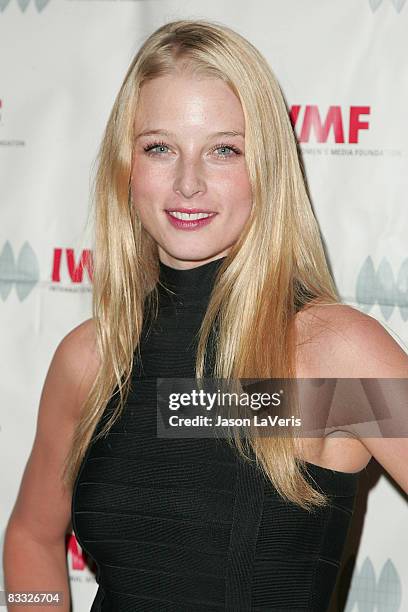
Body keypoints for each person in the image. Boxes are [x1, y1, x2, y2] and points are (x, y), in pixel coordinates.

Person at [3, 18, 408, 612]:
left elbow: (199, 409)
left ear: (265, 168)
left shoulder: (331, 355)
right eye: (160, 147)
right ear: (126, 167)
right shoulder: (92, 358)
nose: (188, 183)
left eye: (224, 149)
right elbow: (32, 538)